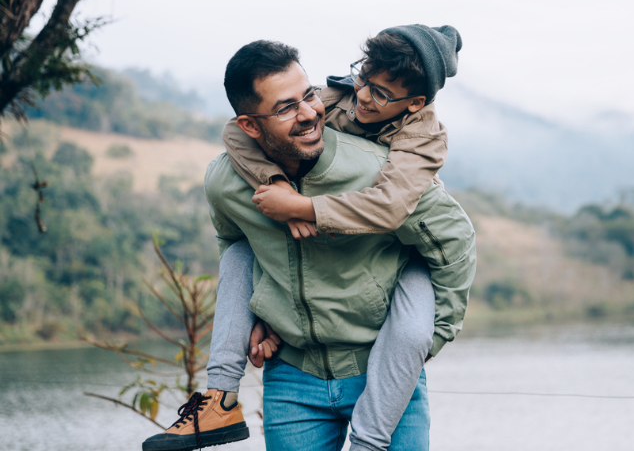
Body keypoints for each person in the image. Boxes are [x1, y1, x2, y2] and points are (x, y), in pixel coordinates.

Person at [143, 37, 475, 451]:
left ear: (414, 101)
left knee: (411, 329)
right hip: (291, 377)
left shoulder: (392, 157)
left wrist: (432, 337)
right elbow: (237, 238)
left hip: (381, 369)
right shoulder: (231, 177)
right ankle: (219, 397)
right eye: (286, 106)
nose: (309, 112)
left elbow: (443, 233)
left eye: (306, 97)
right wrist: (262, 303)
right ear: (251, 124)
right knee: (240, 251)